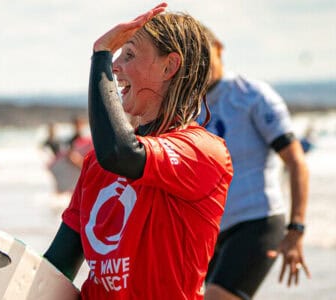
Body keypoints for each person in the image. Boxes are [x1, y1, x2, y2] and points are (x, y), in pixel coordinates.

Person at [44, 3, 233, 299]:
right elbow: (55, 268)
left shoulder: (202, 152)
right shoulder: (95, 163)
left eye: (128, 55)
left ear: (169, 66)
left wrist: (101, 55)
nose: (116, 67)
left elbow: (121, 152)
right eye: (115, 57)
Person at [200, 26, 311, 300]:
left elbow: (296, 160)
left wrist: (296, 229)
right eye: (193, 55)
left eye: (205, 53)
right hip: (211, 230)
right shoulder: (188, 106)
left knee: (217, 296)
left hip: (258, 219)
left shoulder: (252, 95)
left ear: (219, 49)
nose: (200, 62)